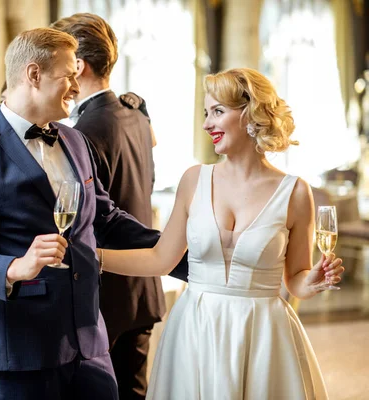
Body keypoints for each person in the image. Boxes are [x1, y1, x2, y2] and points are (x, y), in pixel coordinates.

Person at [0, 27, 188, 400]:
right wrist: (15, 267)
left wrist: (192, 260)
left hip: (91, 344)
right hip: (20, 352)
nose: (76, 87)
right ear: (34, 75)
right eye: (68, 75)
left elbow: (106, 219)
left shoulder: (75, 140)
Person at [99, 67, 345, 399]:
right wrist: (92, 257)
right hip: (195, 329)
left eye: (217, 111)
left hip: (263, 336)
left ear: (251, 113)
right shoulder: (193, 180)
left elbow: (295, 278)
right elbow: (160, 260)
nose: (206, 124)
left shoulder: (295, 192)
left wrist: (312, 280)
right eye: (205, 113)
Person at [51, 13, 187, 399]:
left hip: (103, 293)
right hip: (143, 289)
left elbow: (91, 217)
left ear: (78, 65)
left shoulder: (79, 134)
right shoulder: (137, 115)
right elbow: (147, 185)